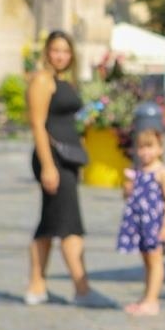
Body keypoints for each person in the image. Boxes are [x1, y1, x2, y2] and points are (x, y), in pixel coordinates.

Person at [25, 30, 100, 306]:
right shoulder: (42, 80)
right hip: (53, 158)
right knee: (70, 224)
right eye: (56, 50)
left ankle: (36, 285)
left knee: (48, 223)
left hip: (67, 157)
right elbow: (37, 124)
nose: (61, 55)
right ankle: (82, 289)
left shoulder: (62, 81)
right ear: (47, 51)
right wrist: (47, 166)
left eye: (66, 51)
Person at [118, 126, 165, 316]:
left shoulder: (162, 172)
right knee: (147, 261)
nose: (145, 152)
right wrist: (127, 187)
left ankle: (153, 300)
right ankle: (146, 297)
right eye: (141, 147)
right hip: (139, 223)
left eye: (150, 147)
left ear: (160, 149)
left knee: (155, 260)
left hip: (154, 223)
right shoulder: (137, 171)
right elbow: (128, 196)